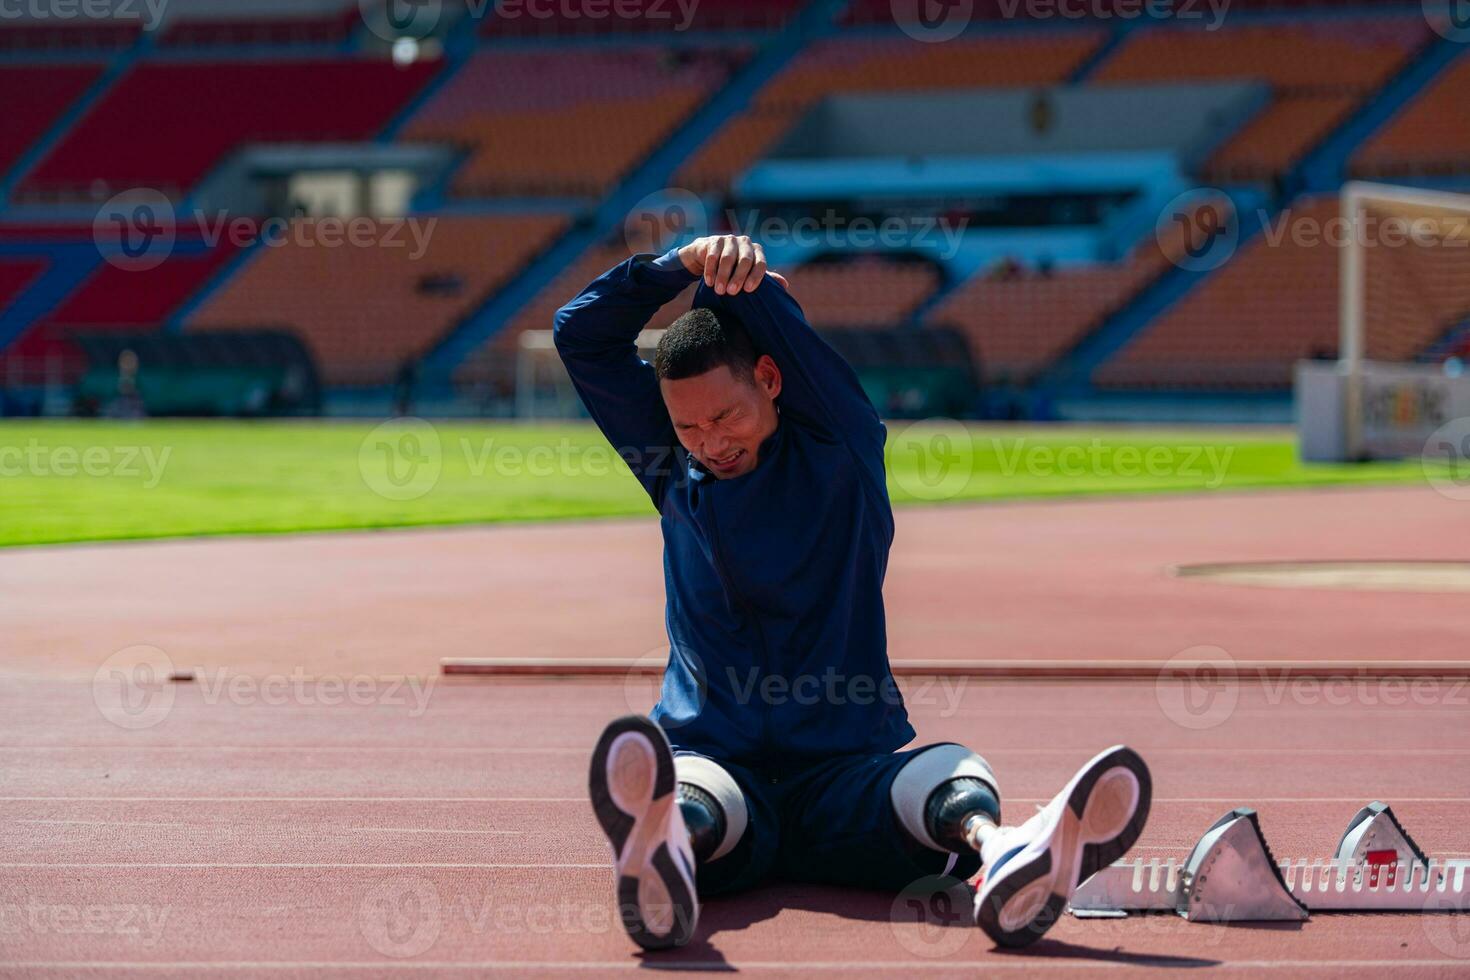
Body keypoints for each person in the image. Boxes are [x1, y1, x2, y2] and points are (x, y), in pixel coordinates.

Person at [555, 235, 1151, 951]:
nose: (709, 441)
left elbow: (765, 314)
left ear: (771, 380)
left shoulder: (844, 452)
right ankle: (665, 848)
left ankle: (1006, 854)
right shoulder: (670, 467)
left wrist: (727, 278)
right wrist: (676, 266)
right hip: (721, 765)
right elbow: (581, 334)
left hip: (844, 778)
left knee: (946, 773)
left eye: (725, 418)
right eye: (688, 427)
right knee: (699, 793)